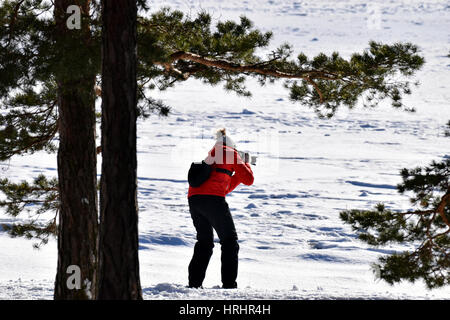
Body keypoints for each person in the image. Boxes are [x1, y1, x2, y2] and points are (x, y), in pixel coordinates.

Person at [187, 128, 254, 289]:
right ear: (233, 147)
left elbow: (224, 188)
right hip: (213, 201)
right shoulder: (230, 153)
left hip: (194, 200)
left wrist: (236, 172)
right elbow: (249, 179)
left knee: (204, 242)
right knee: (230, 242)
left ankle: (194, 284)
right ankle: (229, 285)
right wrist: (245, 163)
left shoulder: (211, 156)